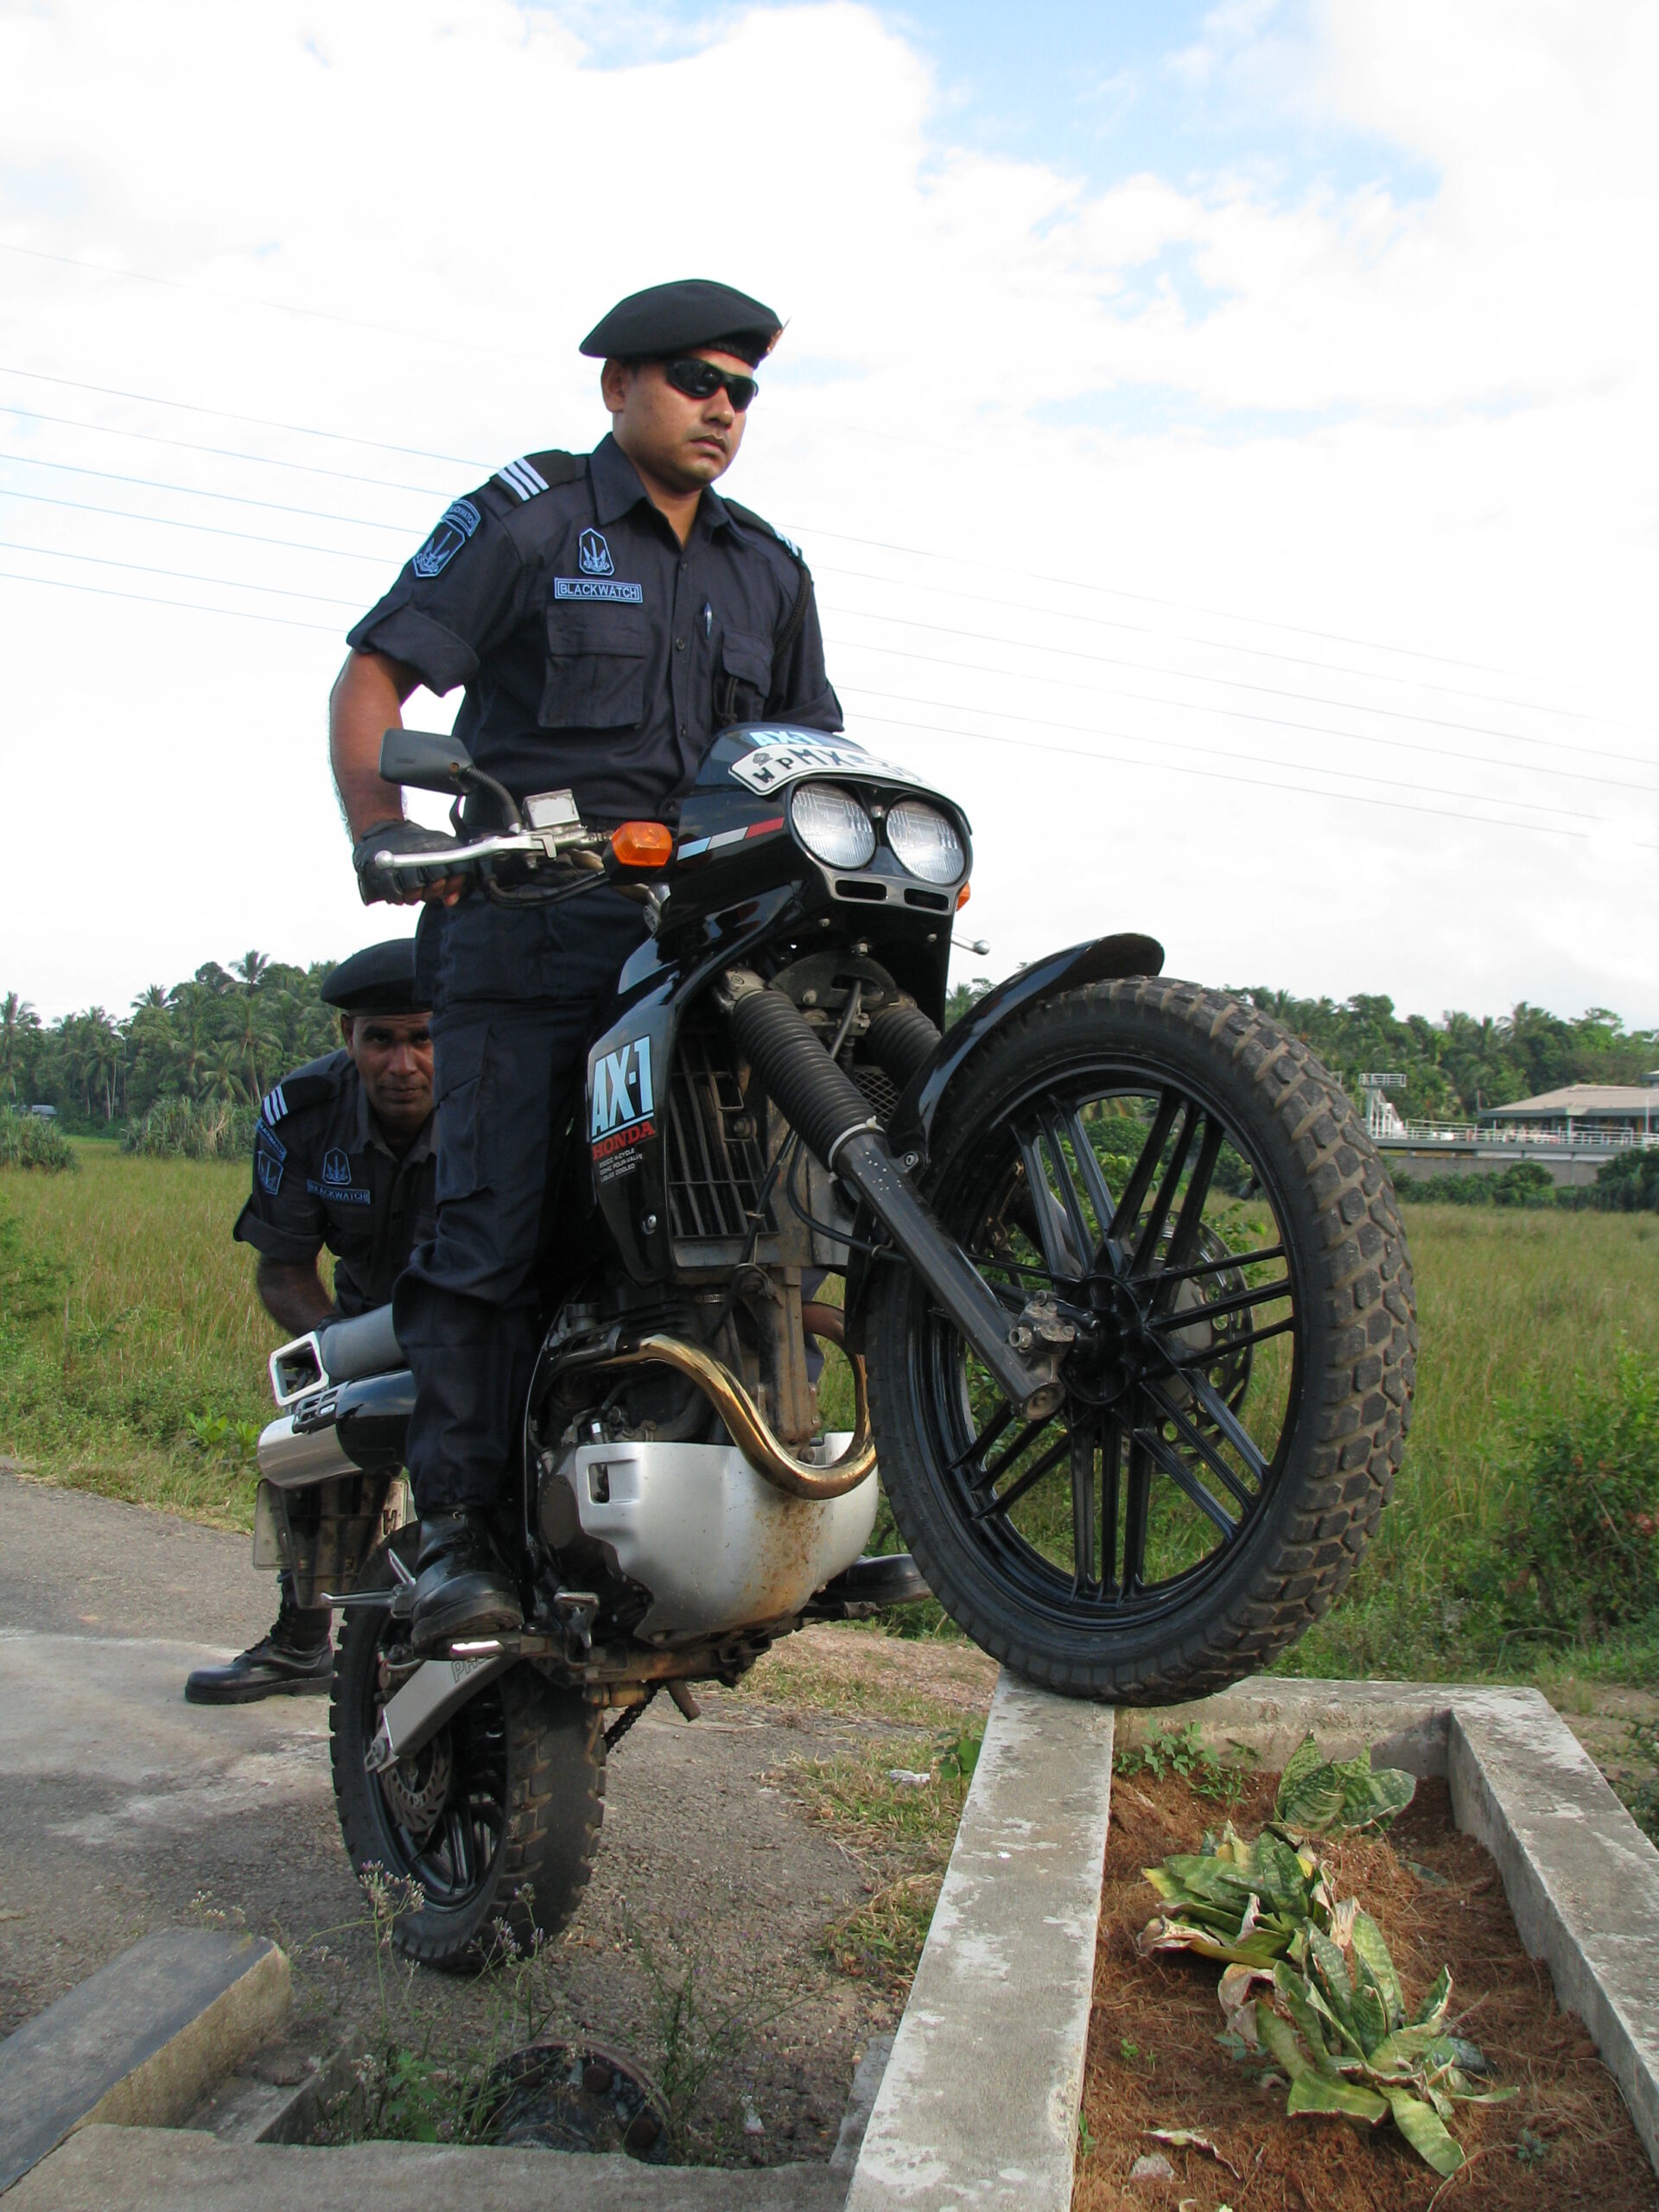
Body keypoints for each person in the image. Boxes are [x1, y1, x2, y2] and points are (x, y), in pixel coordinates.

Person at [327, 277, 842, 1652]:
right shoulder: (532, 517)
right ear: (618, 386)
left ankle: (775, 1487)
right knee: (491, 1235)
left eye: (742, 388)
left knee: (762, 1221)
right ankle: (457, 1547)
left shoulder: (768, 570)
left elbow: (809, 759)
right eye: (694, 379)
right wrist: (381, 825)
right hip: (530, 934)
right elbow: (376, 674)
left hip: (704, 947)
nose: (722, 408)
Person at [184, 939, 436, 1704]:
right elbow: (283, 1267)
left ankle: (447, 1647)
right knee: (315, 1428)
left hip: (488, 1321)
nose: (403, 1065)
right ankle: (301, 1641)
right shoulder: (302, 1112)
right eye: (381, 1040)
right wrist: (340, 1355)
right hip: (360, 1317)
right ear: (348, 1040)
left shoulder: (504, 1107)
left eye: (425, 1037)